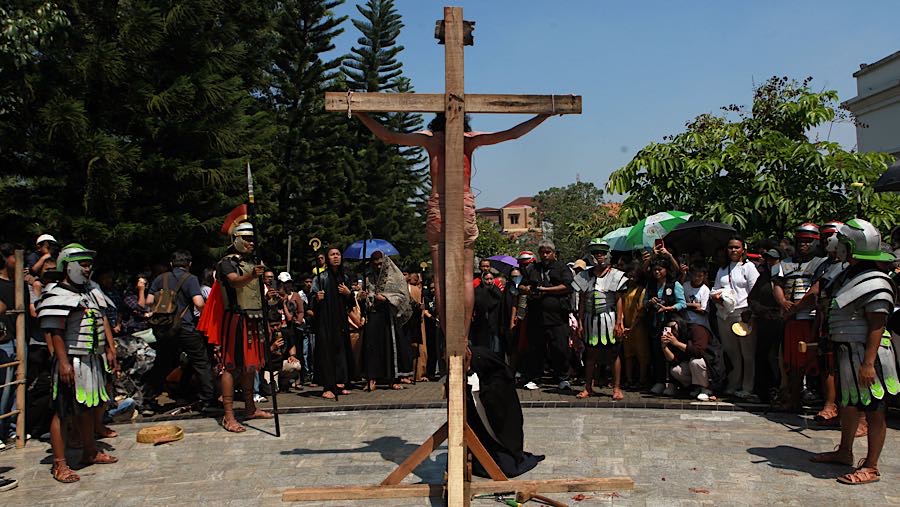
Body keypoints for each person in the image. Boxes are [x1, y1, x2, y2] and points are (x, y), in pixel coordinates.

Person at [355, 112, 552, 344]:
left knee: (440, 279)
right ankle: (463, 338)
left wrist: (360, 113)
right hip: (463, 204)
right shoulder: (468, 138)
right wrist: (544, 115)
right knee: (467, 278)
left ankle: (450, 338)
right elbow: (511, 134)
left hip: (438, 205)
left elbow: (388, 136)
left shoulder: (430, 138)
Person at [809, 219, 896, 485]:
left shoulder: (876, 279)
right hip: (847, 351)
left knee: (874, 408)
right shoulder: (847, 273)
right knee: (848, 404)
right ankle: (845, 451)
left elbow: (877, 324)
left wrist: (869, 362)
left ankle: (871, 466)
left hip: (868, 354)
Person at [37, 243, 118, 483]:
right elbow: (55, 331)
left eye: (89, 264)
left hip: (91, 359)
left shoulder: (89, 292)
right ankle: (59, 465)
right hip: (71, 359)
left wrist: (109, 350)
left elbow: (101, 321)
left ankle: (89, 451)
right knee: (62, 412)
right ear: (67, 266)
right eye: (82, 264)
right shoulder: (56, 293)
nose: (87, 268)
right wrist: (63, 362)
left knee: (87, 408)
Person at [199, 217, 273, 432]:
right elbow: (234, 280)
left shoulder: (252, 262)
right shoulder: (227, 262)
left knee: (251, 366)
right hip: (235, 319)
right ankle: (229, 415)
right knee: (231, 367)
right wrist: (252, 275)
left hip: (254, 319)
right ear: (237, 239)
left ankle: (250, 407)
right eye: (248, 239)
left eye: (253, 239)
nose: (251, 243)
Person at [146, 250, 214, 412]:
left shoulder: (160, 278)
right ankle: (207, 401)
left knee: (162, 363)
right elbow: (198, 303)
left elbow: (148, 302)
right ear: (189, 264)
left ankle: (148, 401)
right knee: (201, 362)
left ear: (171, 264)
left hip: (164, 328)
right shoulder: (190, 279)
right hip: (186, 327)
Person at [773, 223, 827, 410]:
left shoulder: (822, 263)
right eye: (800, 240)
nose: (803, 244)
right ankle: (793, 399)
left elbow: (816, 290)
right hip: (791, 319)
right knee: (792, 363)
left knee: (818, 363)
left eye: (808, 241)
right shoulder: (785, 264)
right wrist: (782, 302)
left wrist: (798, 306)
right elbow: (778, 284)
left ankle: (826, 403)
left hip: (811, 318)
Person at [574, 239, 627, 400]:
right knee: (590, 355)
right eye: (596, 253)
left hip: (609, 319)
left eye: (602, 253)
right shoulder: (584, 276)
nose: (599, 256)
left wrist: (619, 322)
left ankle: (617, 388)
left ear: (607, 255)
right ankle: (588, 387)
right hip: (590, 320)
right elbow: (582, 300)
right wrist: (580, 322)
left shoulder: (616, 275)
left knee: (614, 354)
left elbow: (619, 300)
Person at [519, 239, 574, 391]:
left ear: (554, 253)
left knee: (560, 349)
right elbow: (522, 285)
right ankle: (535, 377)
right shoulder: (533, 269)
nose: (544, 255)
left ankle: (562, 378)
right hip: (537, 316)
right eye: (542, 252)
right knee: (536, 349)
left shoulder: (562, 268)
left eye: (548, 252)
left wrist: (545, 290)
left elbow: (568, 286)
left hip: (557, 317)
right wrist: (529, 290)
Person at [711, 235, 760, 400]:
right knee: (732, 352)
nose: (733, 250)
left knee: (747, 353)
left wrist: (751, 313)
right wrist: (717, 297)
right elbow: (715, 289)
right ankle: (734, 384)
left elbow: (755, 291)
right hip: (725, 314)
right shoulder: (722, 269)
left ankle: (748, 387)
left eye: (736, 247)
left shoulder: (749, 267)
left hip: (743, 314)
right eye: (730, 247)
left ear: (743, 249)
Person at [310, 246, 355, 399]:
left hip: (340, 319)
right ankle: (327, 386)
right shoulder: (320, 278)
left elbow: (351, 304)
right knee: (326, 351)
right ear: (327, 259)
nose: (336, 257)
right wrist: (317, 298)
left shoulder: (345, 278)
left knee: (341, 351)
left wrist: (349, 294)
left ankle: (339, 383)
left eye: (338, 254)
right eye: (332, 255)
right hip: (325, 320)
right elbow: (311, 301)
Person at [363, 250, 412, 391]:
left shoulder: (395, 275)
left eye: (380, 264)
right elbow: (366, 293)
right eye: (375, 264)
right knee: (372, 347)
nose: (378, 267)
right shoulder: (369, 277)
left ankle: (393, 379)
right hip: (373, 314)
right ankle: (372, 378)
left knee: (391, 348)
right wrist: (365, 296)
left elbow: (402, 295)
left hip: (389, 316)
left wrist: (386, 298)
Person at [645, 258, 687, 395]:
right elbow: (644, 302)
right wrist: (650, 302)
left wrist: (670, 307)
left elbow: (682, 303)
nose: (657, 272)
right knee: (657, 352)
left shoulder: (674, 285)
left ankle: (672, 384)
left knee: (669, 351)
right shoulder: (650, 285)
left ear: (666, 270)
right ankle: (659, 381)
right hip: (655, 323)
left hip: (670, 322)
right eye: (655, 270)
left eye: (660, 269)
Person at [661, 315, 713, 400]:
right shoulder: (677, 337)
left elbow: (698, 352)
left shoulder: (697, 330)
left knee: (695, 362)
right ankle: (695, 387)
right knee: (675, 370)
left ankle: (705, 389)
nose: (672, 331)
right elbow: (674, 361)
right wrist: (664, 347)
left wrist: (677, 343)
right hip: (690, 365)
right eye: (668, 328)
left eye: (673, 327)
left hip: (709, 363)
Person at [620, 261, 650, 388]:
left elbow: (640, 311)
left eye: (634, 276)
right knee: (628, 354)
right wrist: (621, 324)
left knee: (641, 354)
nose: (632, 278)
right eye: (630, 275)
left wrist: (632, 326)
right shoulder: (625, 290)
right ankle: (629, 379)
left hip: (639, 327)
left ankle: (642, 379)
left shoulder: (642, 290)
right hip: (625, 326)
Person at [471, 271, 504, 354]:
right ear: (482, 280)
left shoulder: (497, 291)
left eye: (491, 279)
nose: (489, 281)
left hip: (495, 323)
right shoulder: (477, 291)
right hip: (481, 323)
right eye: (487, 279)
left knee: (496, 348)